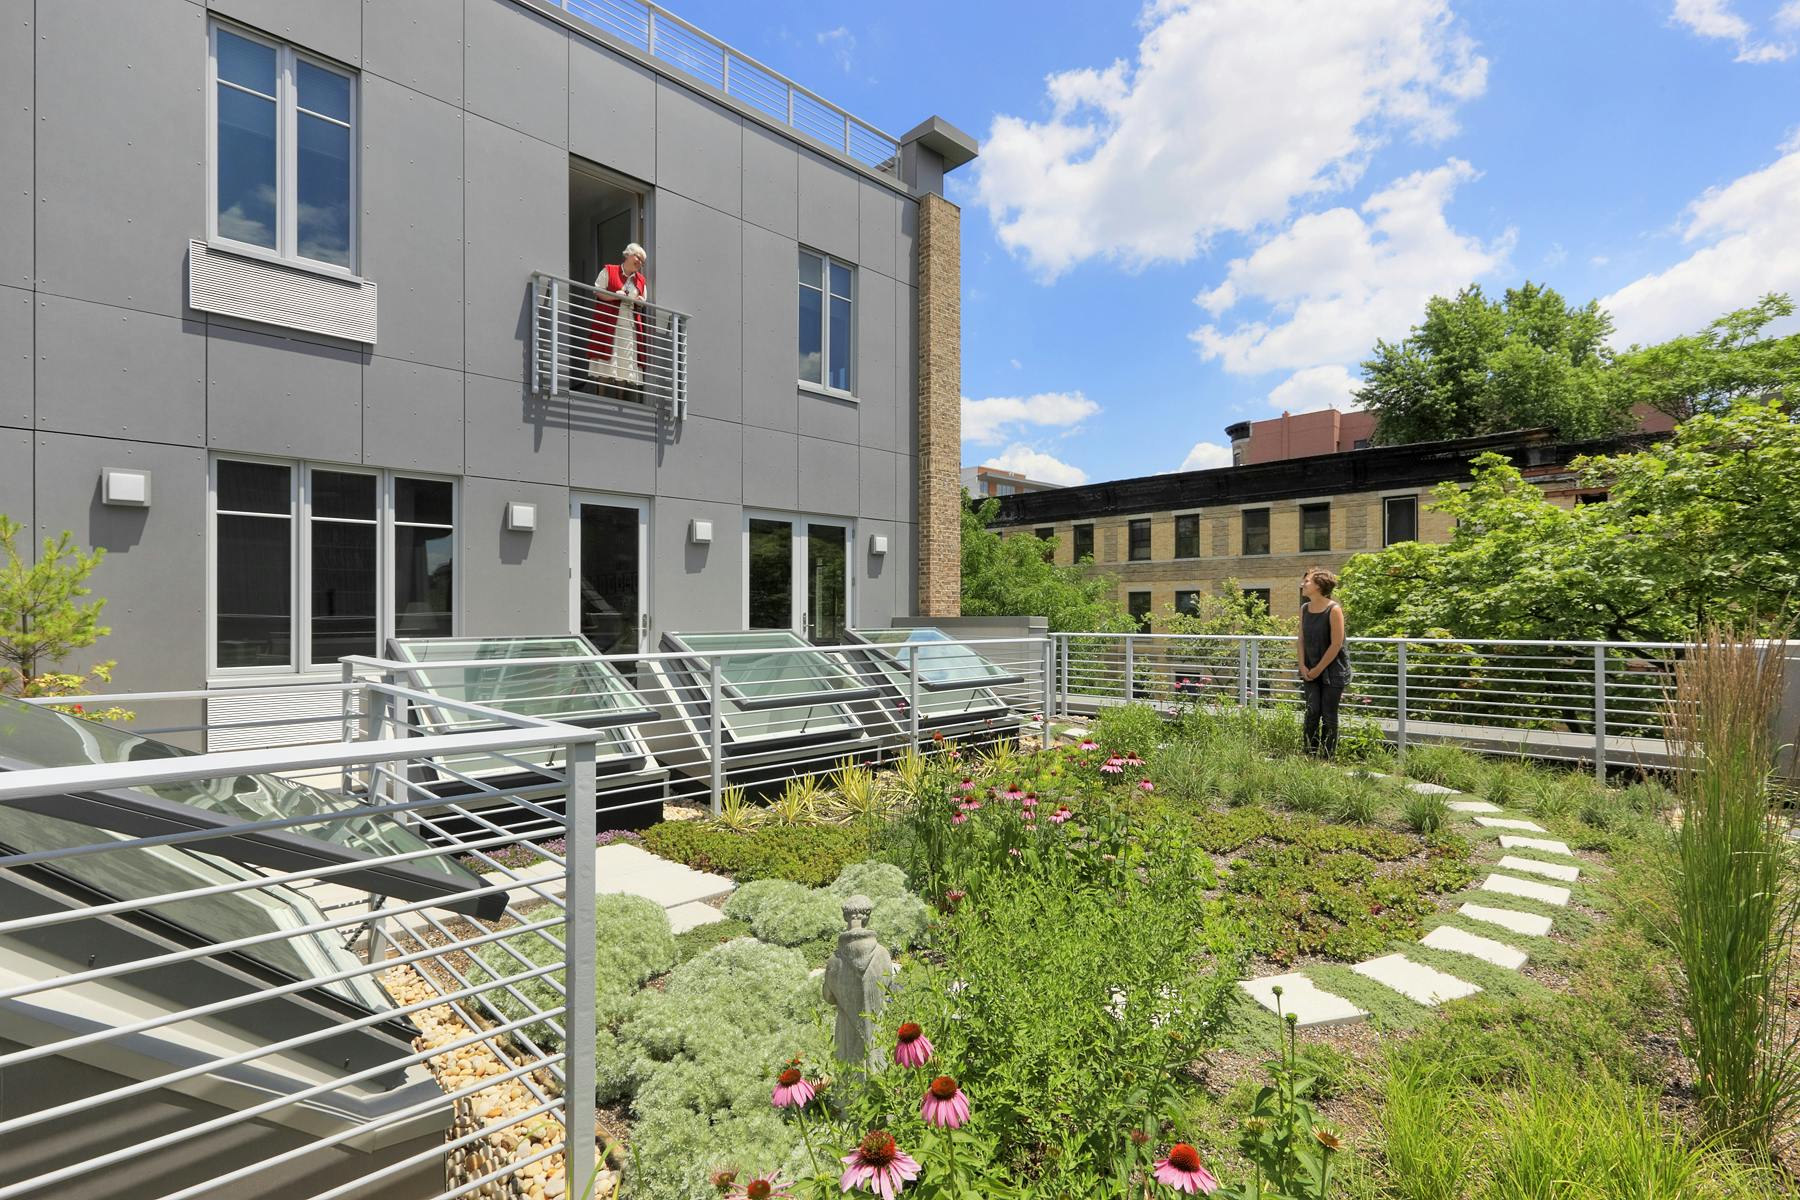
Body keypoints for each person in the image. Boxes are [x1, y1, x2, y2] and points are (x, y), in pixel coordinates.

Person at [1296, 567, 1350, 756]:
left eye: (1307, 581)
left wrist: (1318, 669)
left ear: (1319, 586)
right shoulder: (1304, 609)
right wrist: (1302, 666)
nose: (1303, 584)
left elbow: (1336, 644)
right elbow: (1301, 639)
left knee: (1328, 715)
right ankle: (1308, 755)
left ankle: (1327, 758)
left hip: (1333, 671)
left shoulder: (1334, 609)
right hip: (1309, 669)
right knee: (1312, 712)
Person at [586, 243, 648, 393]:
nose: (640, 262)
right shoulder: (609, 270)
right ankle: (601, 393)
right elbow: (597, 291)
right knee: (607, 358)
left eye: (642, 261)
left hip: (629, 325)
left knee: (625, 359)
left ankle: (620, 396)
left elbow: (643, 301)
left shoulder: (641, 280)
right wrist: (615, 295)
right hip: (609, 323)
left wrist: (640, 301)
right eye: (638, 258)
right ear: (628, 255)